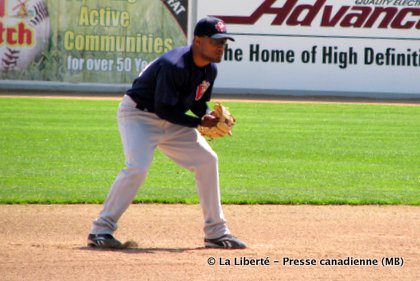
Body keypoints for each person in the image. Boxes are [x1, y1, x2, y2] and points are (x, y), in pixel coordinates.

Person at [87, 17, 246, 249]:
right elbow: (163, 108)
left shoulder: (210, 69)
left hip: (173, 120)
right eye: (215, 41)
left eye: (223, 42)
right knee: (137, 167)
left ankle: (216, 233)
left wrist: (209, 115)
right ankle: (100, 230)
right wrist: (200, 122)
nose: (221, 47)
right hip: (139, 116)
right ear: (198, 41)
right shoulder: (175, 65)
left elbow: (199, 103)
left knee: (207, 161)